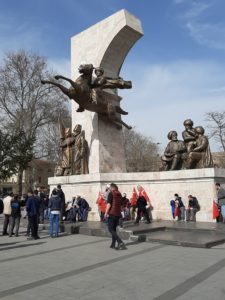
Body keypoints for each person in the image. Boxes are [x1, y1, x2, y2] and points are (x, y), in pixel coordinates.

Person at [104, 183, 126, 250]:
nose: (109, 189)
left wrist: (105, 213)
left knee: (110, 229)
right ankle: (113, 244)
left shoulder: (111, 193)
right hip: (117, 214)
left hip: (112, 213)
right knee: (114, 229)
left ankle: (120, 242)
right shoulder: (119, 194)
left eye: (110, 188)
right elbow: (121, 205)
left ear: (112, 188)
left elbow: (109, 204)